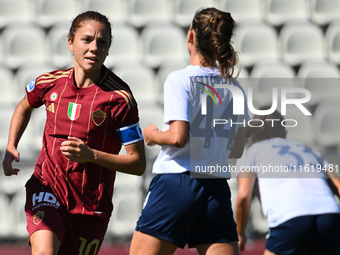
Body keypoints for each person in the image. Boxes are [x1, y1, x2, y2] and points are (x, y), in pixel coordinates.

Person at [2, 11, 146, 255]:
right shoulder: (50, 83)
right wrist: (11, 145)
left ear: (109, 48)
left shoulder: (120, 98)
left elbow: (138, 163)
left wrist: (91, 155)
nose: (94, 48)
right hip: (46, 188)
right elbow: (24, 105)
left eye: (102, 42)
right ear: (70, 42)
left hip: (90, 207)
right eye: (86, 39)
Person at [130, 7, 249, 255]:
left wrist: (151, 135)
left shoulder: (180, 79)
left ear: (191, 37)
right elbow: (238, 142)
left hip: (177, 182)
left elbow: (177, 137)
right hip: (215, 187)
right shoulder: (234, 85)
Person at [235, 110, 340, 255]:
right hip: (330, 215)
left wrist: (240, 234)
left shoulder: (251, 152)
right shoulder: (308, 149)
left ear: (253, 132)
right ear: (283, 131)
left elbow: (244, 195)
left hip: (290, 217)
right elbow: (338, 186)